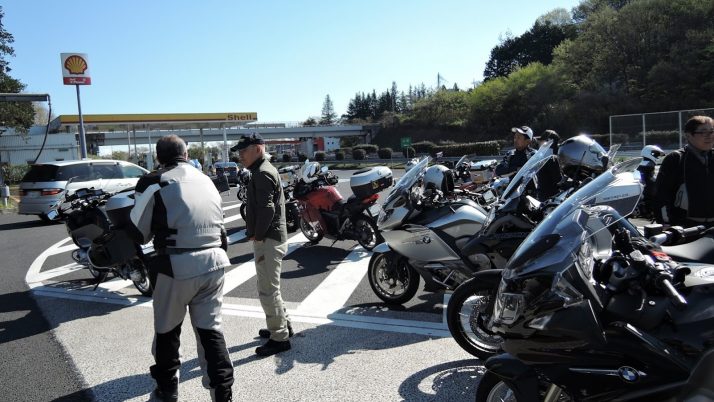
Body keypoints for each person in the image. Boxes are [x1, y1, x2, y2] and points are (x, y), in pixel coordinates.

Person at [128, 135, 234, 402]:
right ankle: (223, 393)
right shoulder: (206, 179)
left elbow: (139, 232)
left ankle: (167, 391)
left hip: (175, 265)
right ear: (186, 154)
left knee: (167, 333)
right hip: (215, 262)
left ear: (158, 157)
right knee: (211, 333)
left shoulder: (154, 181)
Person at [231, 133, 292, 357]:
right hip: (271, 236)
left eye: (244, 151)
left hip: (269, 238)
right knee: (271, 286)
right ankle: (283, 325)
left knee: (267, 289)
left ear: (257, 149)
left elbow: (267, 209)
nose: (240, 156)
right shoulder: (262, 170)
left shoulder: (262, 173)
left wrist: (257, 234)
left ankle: (279, 337)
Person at [655, 115, 714, 227]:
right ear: (688, 135)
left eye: (712, 131)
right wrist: (665, 223)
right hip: (685, 228)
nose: (709, 136)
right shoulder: (676, 159)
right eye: (703, 132)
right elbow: (661, 195)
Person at [535, 130, 563, 200]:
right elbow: (558, 180)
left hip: (546, 197)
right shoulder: (548, 158)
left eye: (541, 141)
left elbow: (558, 180)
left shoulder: (548, 158)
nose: (539, 143)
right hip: (547, 198)